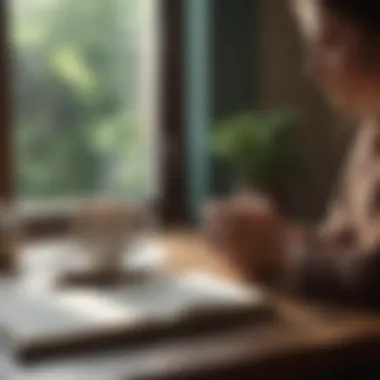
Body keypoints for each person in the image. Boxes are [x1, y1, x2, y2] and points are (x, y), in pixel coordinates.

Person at [204, 1, 380, 309]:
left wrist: (283, 248)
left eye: (329, 41)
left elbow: (373, 276)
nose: (311, 67)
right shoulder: (371, 131)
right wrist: (262, 239)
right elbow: (343, 244)